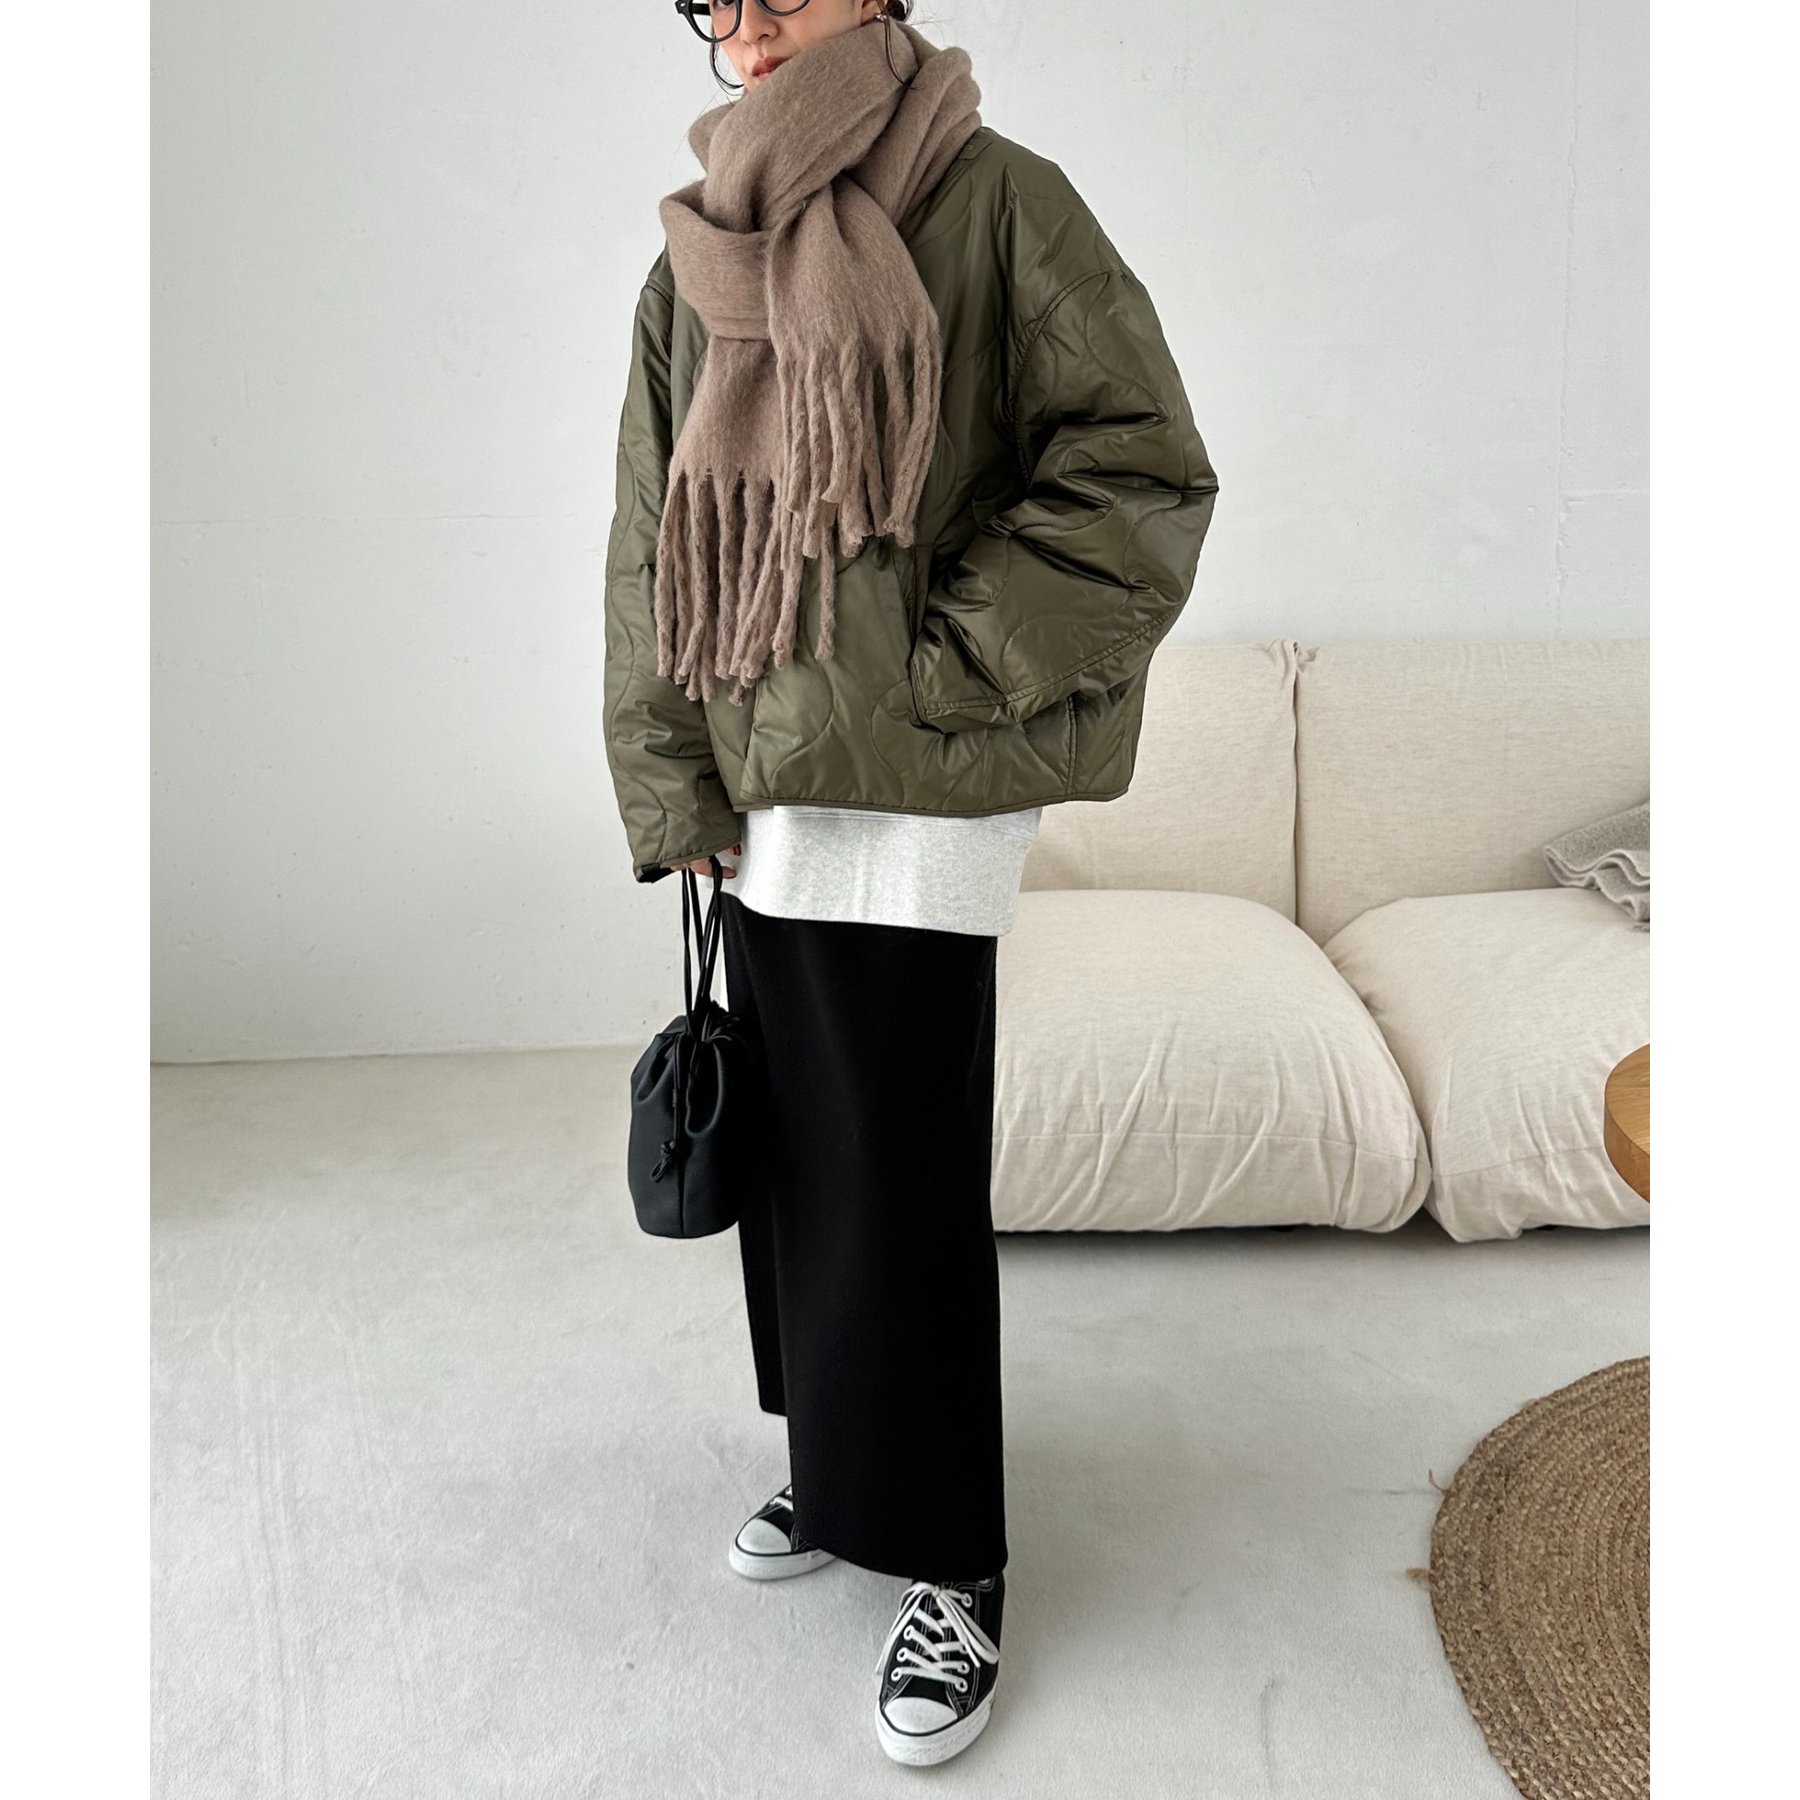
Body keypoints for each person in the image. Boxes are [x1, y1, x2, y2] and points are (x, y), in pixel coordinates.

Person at [602, 0, 1216, 1767]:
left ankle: (952, 1555)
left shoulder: (1000, 201)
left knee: (898, 1175)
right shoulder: (700, 246)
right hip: (765, 787)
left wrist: (939, 667)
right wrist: (672, 771)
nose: (746, 33)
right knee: (801, 1165)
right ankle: (837, 1464)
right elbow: (652, 538)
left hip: (922, 787)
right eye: (715, 3)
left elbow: (1140, 477)